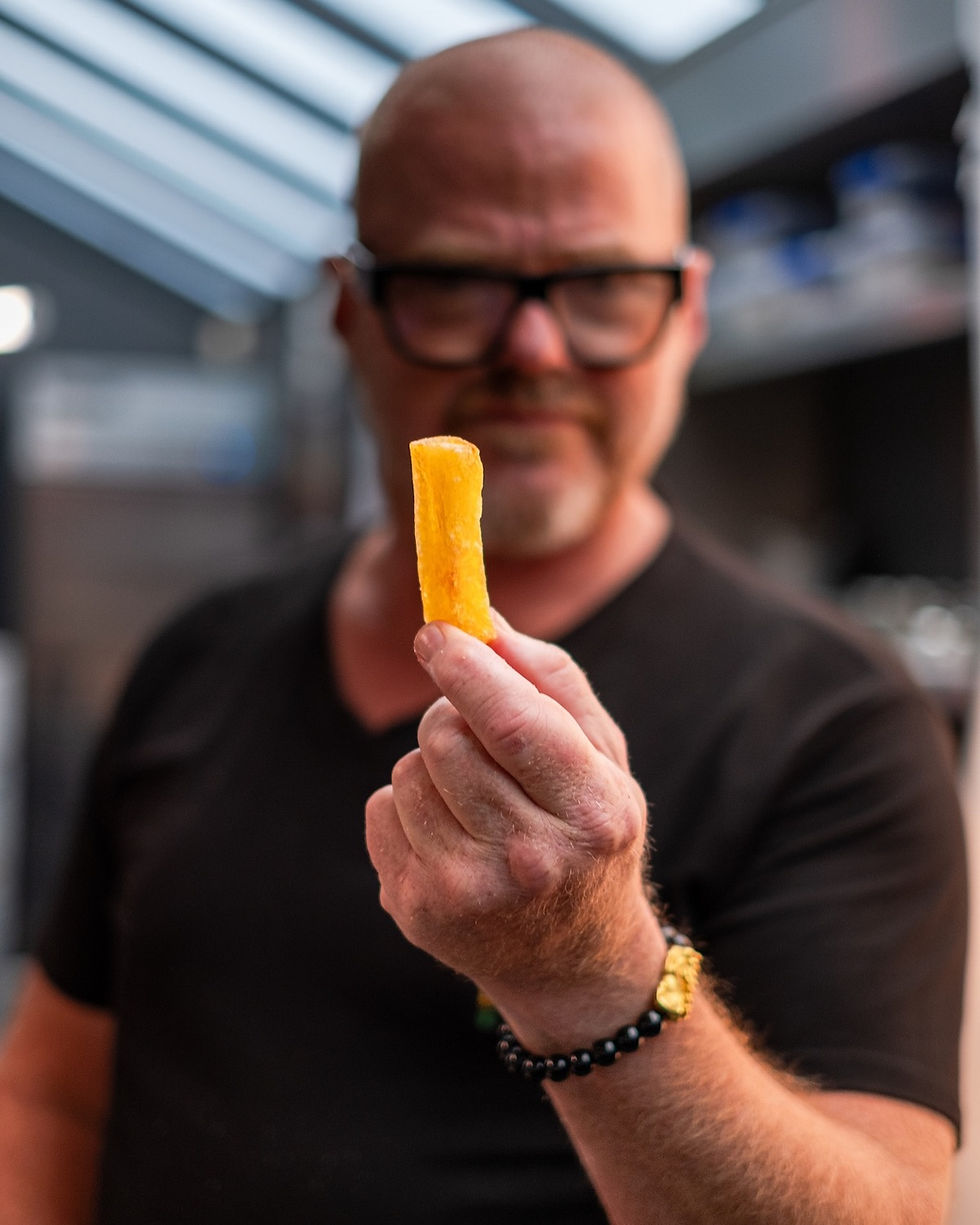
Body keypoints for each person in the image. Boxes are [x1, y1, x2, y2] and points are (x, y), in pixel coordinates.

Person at [0, 27, 968, 1225]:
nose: (533, 350)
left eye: (603, 283)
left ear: (687, 311)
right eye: (456, 282)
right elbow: (54, 1087)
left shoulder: (833, 716)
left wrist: (590, 971)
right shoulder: (200, 651)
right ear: (350, 308)